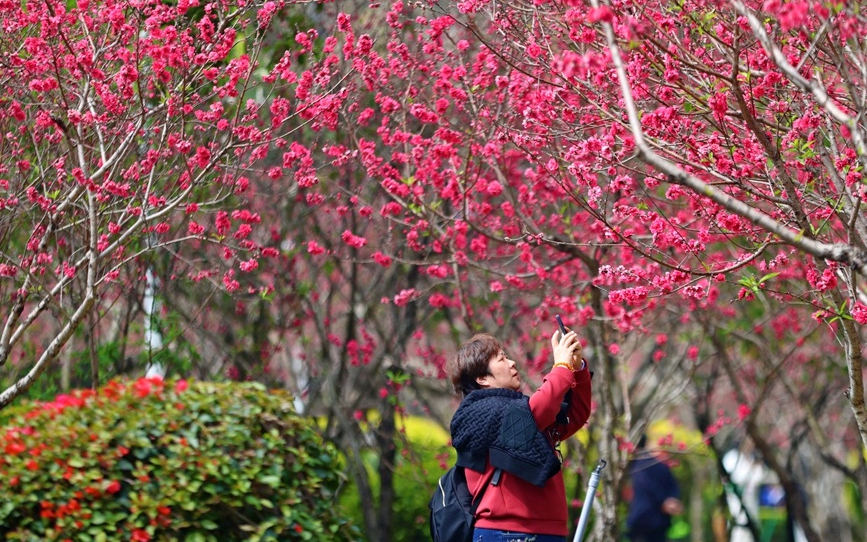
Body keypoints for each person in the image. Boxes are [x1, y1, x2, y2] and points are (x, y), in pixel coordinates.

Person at [449, 327, 592, 542]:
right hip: (505, 532)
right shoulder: (477, 412)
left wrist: (577, 366)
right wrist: (561, 367)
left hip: (549, 531)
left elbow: (576, 415)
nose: (512, 363)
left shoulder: (519, 411)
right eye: (501, 359)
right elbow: (538, 410)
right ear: (482, 378)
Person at [625, 433, 684, 542]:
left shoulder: (640, 464)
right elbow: (673, 485)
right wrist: (669, 499)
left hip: (644, 519)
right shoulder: (658, 463)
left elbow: (646, 484)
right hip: (659, 521)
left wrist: (664, 501)